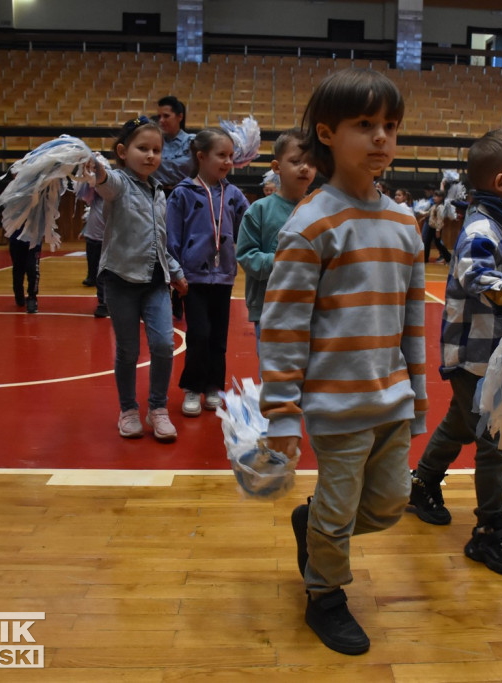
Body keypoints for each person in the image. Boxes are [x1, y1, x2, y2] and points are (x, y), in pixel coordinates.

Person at [259, 69, 426, 656]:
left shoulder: (406, 223)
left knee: (387, 506)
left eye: (390, 127)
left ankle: (315, 529)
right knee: (337, 510)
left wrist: (419, 399)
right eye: (365, 125)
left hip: (393, 398)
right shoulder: (311, 223)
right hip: (336, 405)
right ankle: (324, 592)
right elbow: (282, 328)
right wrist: (281, 413)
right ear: (326, 134)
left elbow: (412, 321)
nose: (381, 138)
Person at [408, 127, 502, 580]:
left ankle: (423, 482)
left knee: (461, 423)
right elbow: (471, 271)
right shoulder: (484, 227)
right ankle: (489, 529)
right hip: (477, 356)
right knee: (496, 440)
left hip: (500, 353)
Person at [86, 116, 187, 442]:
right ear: (122, 151)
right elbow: (104, 181)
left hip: (155, 282)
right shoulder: (117, 183)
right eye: (142, 148)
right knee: (128, 351)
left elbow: (160, 240)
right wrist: (96, 169)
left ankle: (157, 407)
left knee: (162, 344)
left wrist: (176, 273)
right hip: (120, 281)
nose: (150, 155)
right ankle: (128, 410)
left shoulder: (159, 191)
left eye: (156, 150)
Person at [166, 128, 249, 417]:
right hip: (193, 277)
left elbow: (247, 229)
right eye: (221, 155)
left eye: (231, 156)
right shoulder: (182, 194)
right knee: (199, 334)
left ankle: (213, 386)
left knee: (218, 337)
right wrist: (175, 272)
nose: (228, 161)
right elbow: (172, 236)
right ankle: (192, 387)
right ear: (201, 156)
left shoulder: (234, 194)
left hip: (223, 276)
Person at [236, 129, 316, 347]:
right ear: (276, 167)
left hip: (311, 307)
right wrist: (286, 261)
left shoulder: (319, 210)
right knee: (273, 375)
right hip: (269, 306)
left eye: (311, 162)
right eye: (296, 161)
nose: (305, 167)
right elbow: (246, 256)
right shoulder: (259, 210)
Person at [153, 96, 192, 193]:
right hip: (157, 194)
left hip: (185, 193)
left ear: (180, 117)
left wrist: (156, 165)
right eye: (159, 117)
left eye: (166, 116)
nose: (161, 120)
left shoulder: (191, 141)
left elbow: (188, 168)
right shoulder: (154, 141)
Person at [80, 191, 109, 317]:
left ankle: (103, 303)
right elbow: (89, 214)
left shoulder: (112, 197)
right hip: (92, 237)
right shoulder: (94, 197)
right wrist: (84, 231)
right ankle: (91, 278)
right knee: (92, 266)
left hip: (106, 240)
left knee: (102, 272)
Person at [8, 231, 41, 314]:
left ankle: (32, 297)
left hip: (34, 240)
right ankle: (19, 295)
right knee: (18, 270)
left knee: (33, 269)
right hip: (16, 239)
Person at [425, 189, 452, 264]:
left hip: (435, 229)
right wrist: (420, 211)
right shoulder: (434, 206)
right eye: (434, 196)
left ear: (441, 198)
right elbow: (428, 213)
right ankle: (425, 258)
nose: (434, 198)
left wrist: (438, 230)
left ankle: (448, 257)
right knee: (427, 242)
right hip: (431, 227)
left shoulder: (440, 207)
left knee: (438, 244)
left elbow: (440, 220)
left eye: (436, 196)